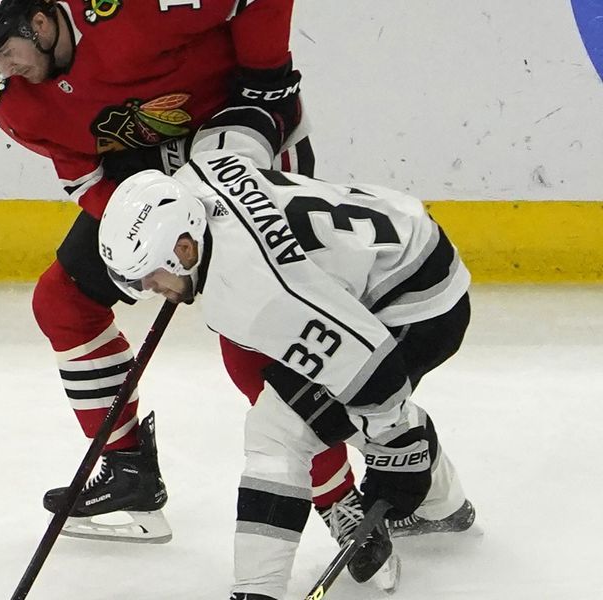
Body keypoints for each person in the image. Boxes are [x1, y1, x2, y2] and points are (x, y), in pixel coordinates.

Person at [0, 0, 375, 549]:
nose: (1, 72)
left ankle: (344, 498)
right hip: (147, 173)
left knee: (249, 341)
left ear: (39, 22)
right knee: (63, 303)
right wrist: (159, 247)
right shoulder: (4, 87)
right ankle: (129, 472)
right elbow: (86, 175)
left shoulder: (129, 10)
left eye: (7, 54)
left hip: (237, 143)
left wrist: (265, 83)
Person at [96, 103, 476, 599]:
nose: (151, 290)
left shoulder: (254, 295)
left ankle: (258, 591)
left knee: (280, 435)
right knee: (333, 414)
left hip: (417, 307)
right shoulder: (202, 168)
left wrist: (394, 453)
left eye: (151, 276)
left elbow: (370, 368)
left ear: (184, 248)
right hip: (399, 238)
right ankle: (442, 506)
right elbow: (246, 122)